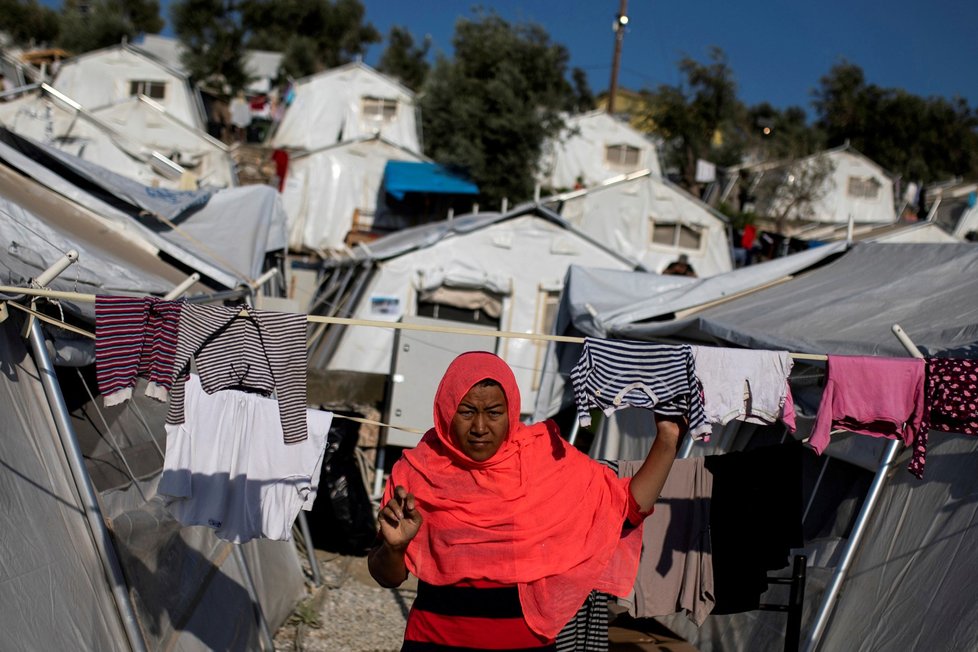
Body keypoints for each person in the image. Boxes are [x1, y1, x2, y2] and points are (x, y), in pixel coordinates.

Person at [368, 351, 685, 650]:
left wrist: (667, 441)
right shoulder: (416, 472)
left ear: (512, 411)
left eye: (494, 413)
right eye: (466, 412)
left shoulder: (546, 459)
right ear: (446, 411)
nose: (480, 427)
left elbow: (628, 508)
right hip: (432, 643)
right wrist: (393, 548)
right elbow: (387, 577)